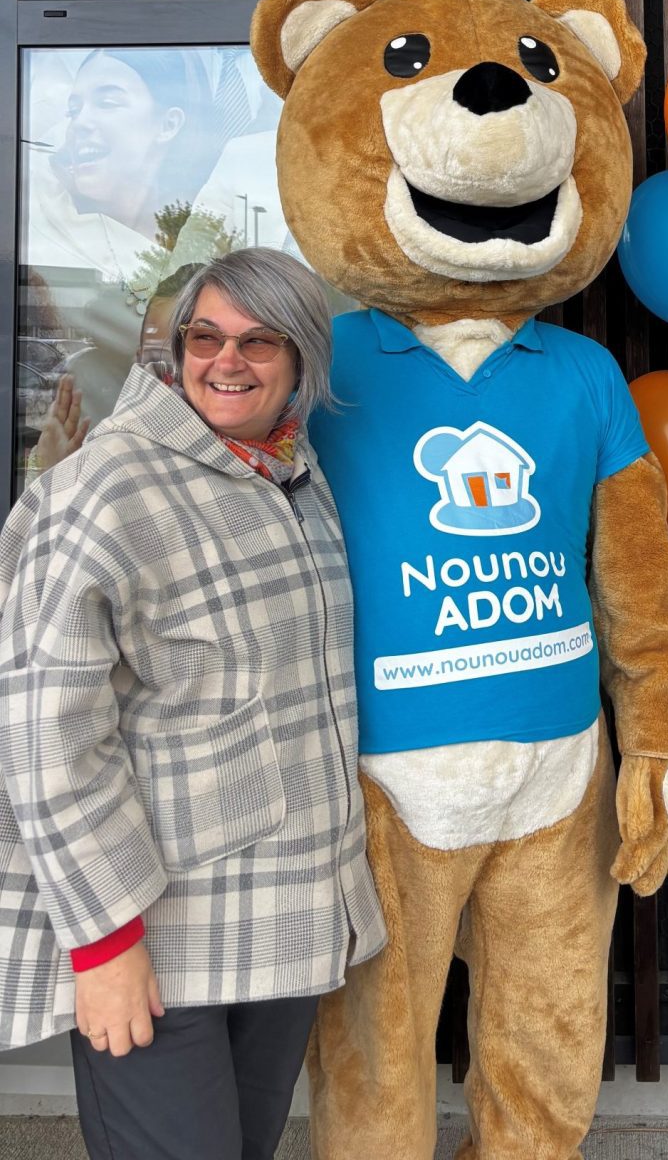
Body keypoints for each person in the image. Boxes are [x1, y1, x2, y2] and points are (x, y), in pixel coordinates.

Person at [0, 248, 385, 1159]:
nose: (227, 360)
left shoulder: (292, 475)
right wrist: (101, 943)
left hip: (285, 921)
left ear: (300, 363)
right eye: (205, 337)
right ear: (174, 351)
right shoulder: (107, 489)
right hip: (156, 941)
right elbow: (45, 736)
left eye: (260, 341)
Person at [22, 48, 218, 430]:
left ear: (168, 125)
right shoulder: (50, 219)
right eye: (73, 110)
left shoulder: (213, 234)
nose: (80, 122)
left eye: (108, 102)